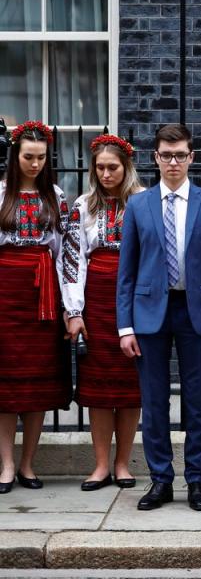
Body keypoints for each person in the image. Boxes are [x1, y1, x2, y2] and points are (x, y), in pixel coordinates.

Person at [116, 123, 201, 511]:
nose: (173, 162)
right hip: (149, 314)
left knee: (199, 402)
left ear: (191, 157)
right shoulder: (138, 205)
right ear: (155, 158)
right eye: (166, 155)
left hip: (195, 313)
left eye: (180, 155)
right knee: (154, 402)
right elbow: (126, 271)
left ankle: (197, 480)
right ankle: (160, 480)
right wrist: (125, 325)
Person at [58, 134, 144, 491]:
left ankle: (123, 464)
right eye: (101, 168)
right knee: (97, 388)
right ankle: (99, 466)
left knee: (129, 388)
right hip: (96, 298)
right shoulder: (84, 205)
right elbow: (73, 258)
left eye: (113, 167)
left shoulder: (143, 202)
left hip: (135, 301)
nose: (107, 174)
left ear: (126, 168)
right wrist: (74, 310)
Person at [0, 120, 70, 494]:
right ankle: (7, 464)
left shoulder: (55, 196)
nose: (35, 164)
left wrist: (65, 305)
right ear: (16, 155)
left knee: (38, 384)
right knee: (6, 386)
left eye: (41, 157)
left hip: (42, 297)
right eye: (29, 156)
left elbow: (60, 252)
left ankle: (28, 463)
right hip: (5, 294)